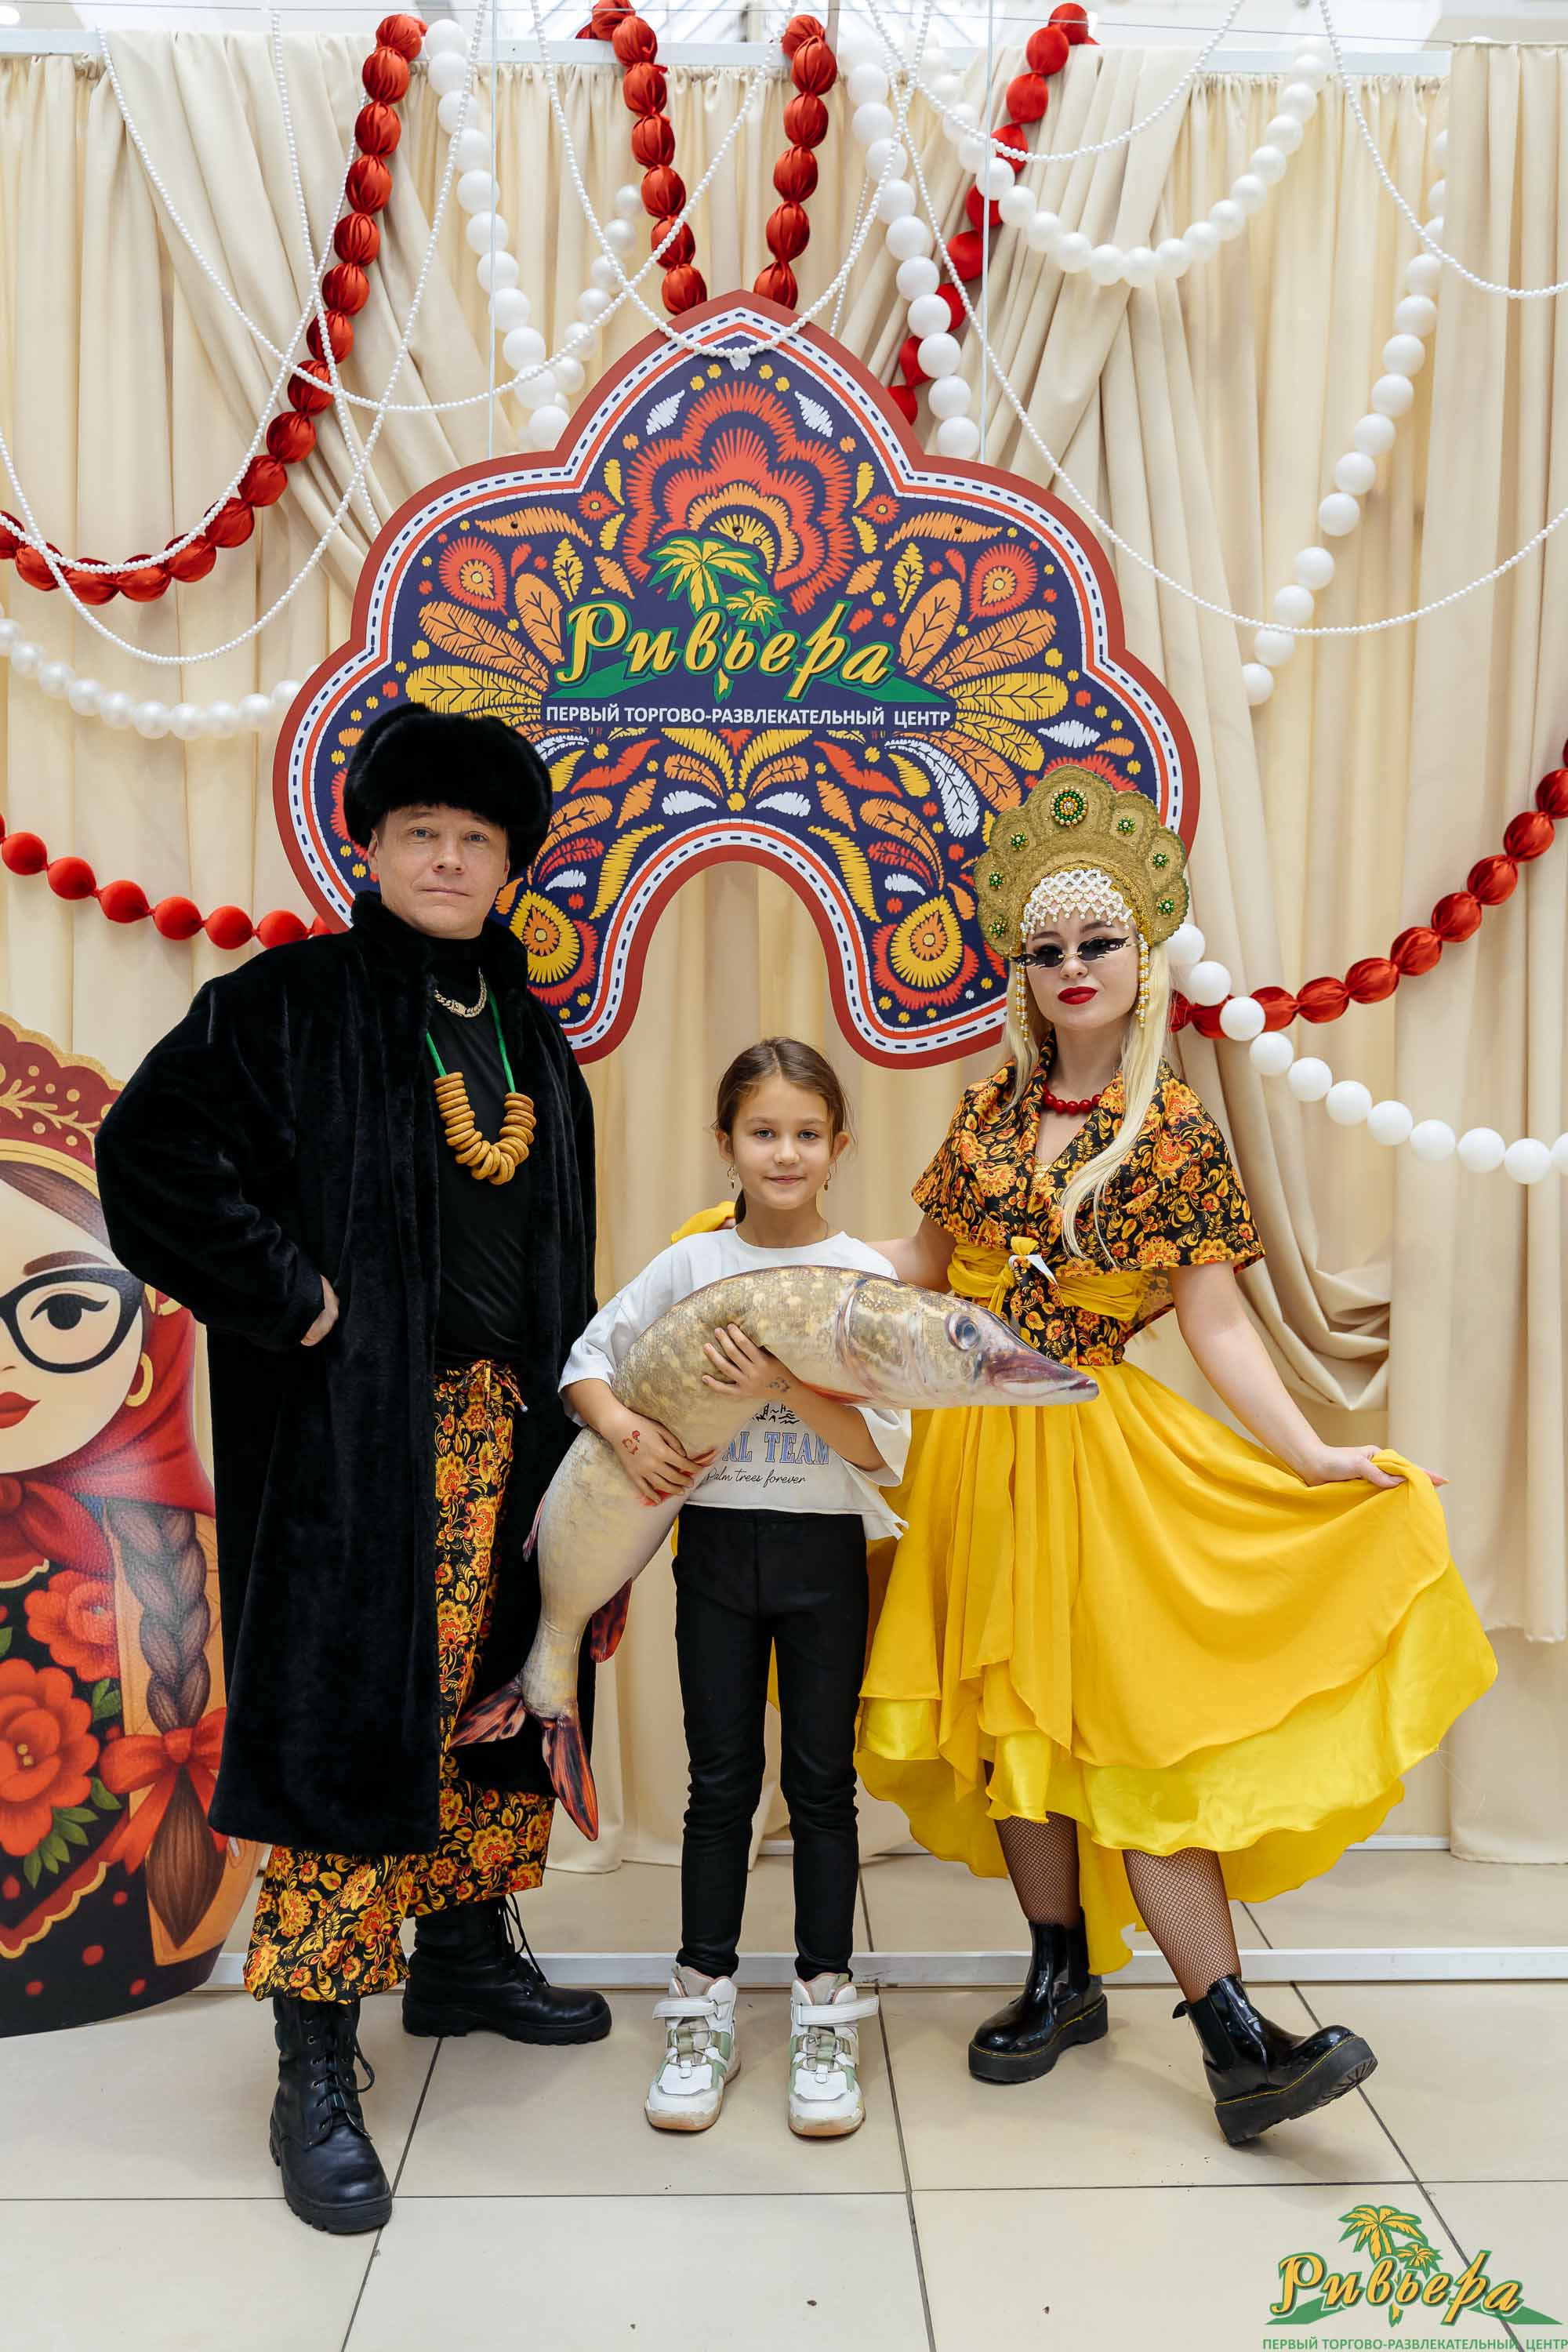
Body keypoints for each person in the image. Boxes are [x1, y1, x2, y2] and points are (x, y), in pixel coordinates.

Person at [858, 768, 1497, 2147]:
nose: (1073, 966)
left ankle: (1231, 2030)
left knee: (1134, 1736)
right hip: (976, 1461)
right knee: (1015, 1724)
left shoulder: (1174, 1131)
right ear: (1024, 973)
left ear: (1139, 958)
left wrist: (1317, 1458)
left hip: (1095, 1459)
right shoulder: (983, 1115)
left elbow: (1216, 1324)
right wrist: (772, 1260)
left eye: (1098, 941)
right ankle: (1061, 1977)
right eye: (1048, 948)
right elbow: (918, 1266)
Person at [95, 703, 608, 2235]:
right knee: (348, 1726)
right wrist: (293, 1298)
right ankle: (313, 2058)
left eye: (475, 839)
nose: (447, 860)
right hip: (358, 1441)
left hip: (516, 1431)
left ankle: (460, 1956)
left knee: (498, 1697)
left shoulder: (533, 1036)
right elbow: (149, 1155)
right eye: (419, 835)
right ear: (369, 851)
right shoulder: (287, 1006)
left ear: (510, 867)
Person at [561, 1039, 906, 2139]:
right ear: (726, 1143)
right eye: (764, 1132)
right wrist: (626, 1430)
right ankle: (701, 2002)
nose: (785, 1153)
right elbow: (585, 1364)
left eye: (807, 1133)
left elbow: (883, 1449)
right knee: (720, 1786)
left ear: (840, 1146)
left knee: (822, 1786)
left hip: (823, 1560)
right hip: (711, 1554)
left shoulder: (863, 1277)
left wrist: (784, 1384)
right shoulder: (692, 1266)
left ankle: (822, 2008)